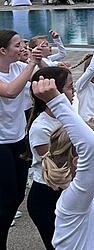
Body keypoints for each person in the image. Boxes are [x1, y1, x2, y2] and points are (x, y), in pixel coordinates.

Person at [33, 75, 94, 250]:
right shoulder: (74, 200)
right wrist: (56, 101)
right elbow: (92, 148)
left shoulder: (86, 198)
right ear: (79, 162)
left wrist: (86, 127)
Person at [0, 29, 41, 245]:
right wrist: (32, 64)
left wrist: (40, 60)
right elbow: (9, 91)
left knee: (17, 195)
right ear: (3, 50)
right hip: (1, 144)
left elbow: (44, 78)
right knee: (6, 197)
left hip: (18, 139)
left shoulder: (18, 67)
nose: (22, 48)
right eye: (17, 45)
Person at [26, 67, 74, 250]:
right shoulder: (41, 127)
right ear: (56, 92)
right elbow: (55, 163)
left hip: (63, 189)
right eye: (70, 87)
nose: (74, 91)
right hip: (46, 194)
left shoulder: (67, 117)